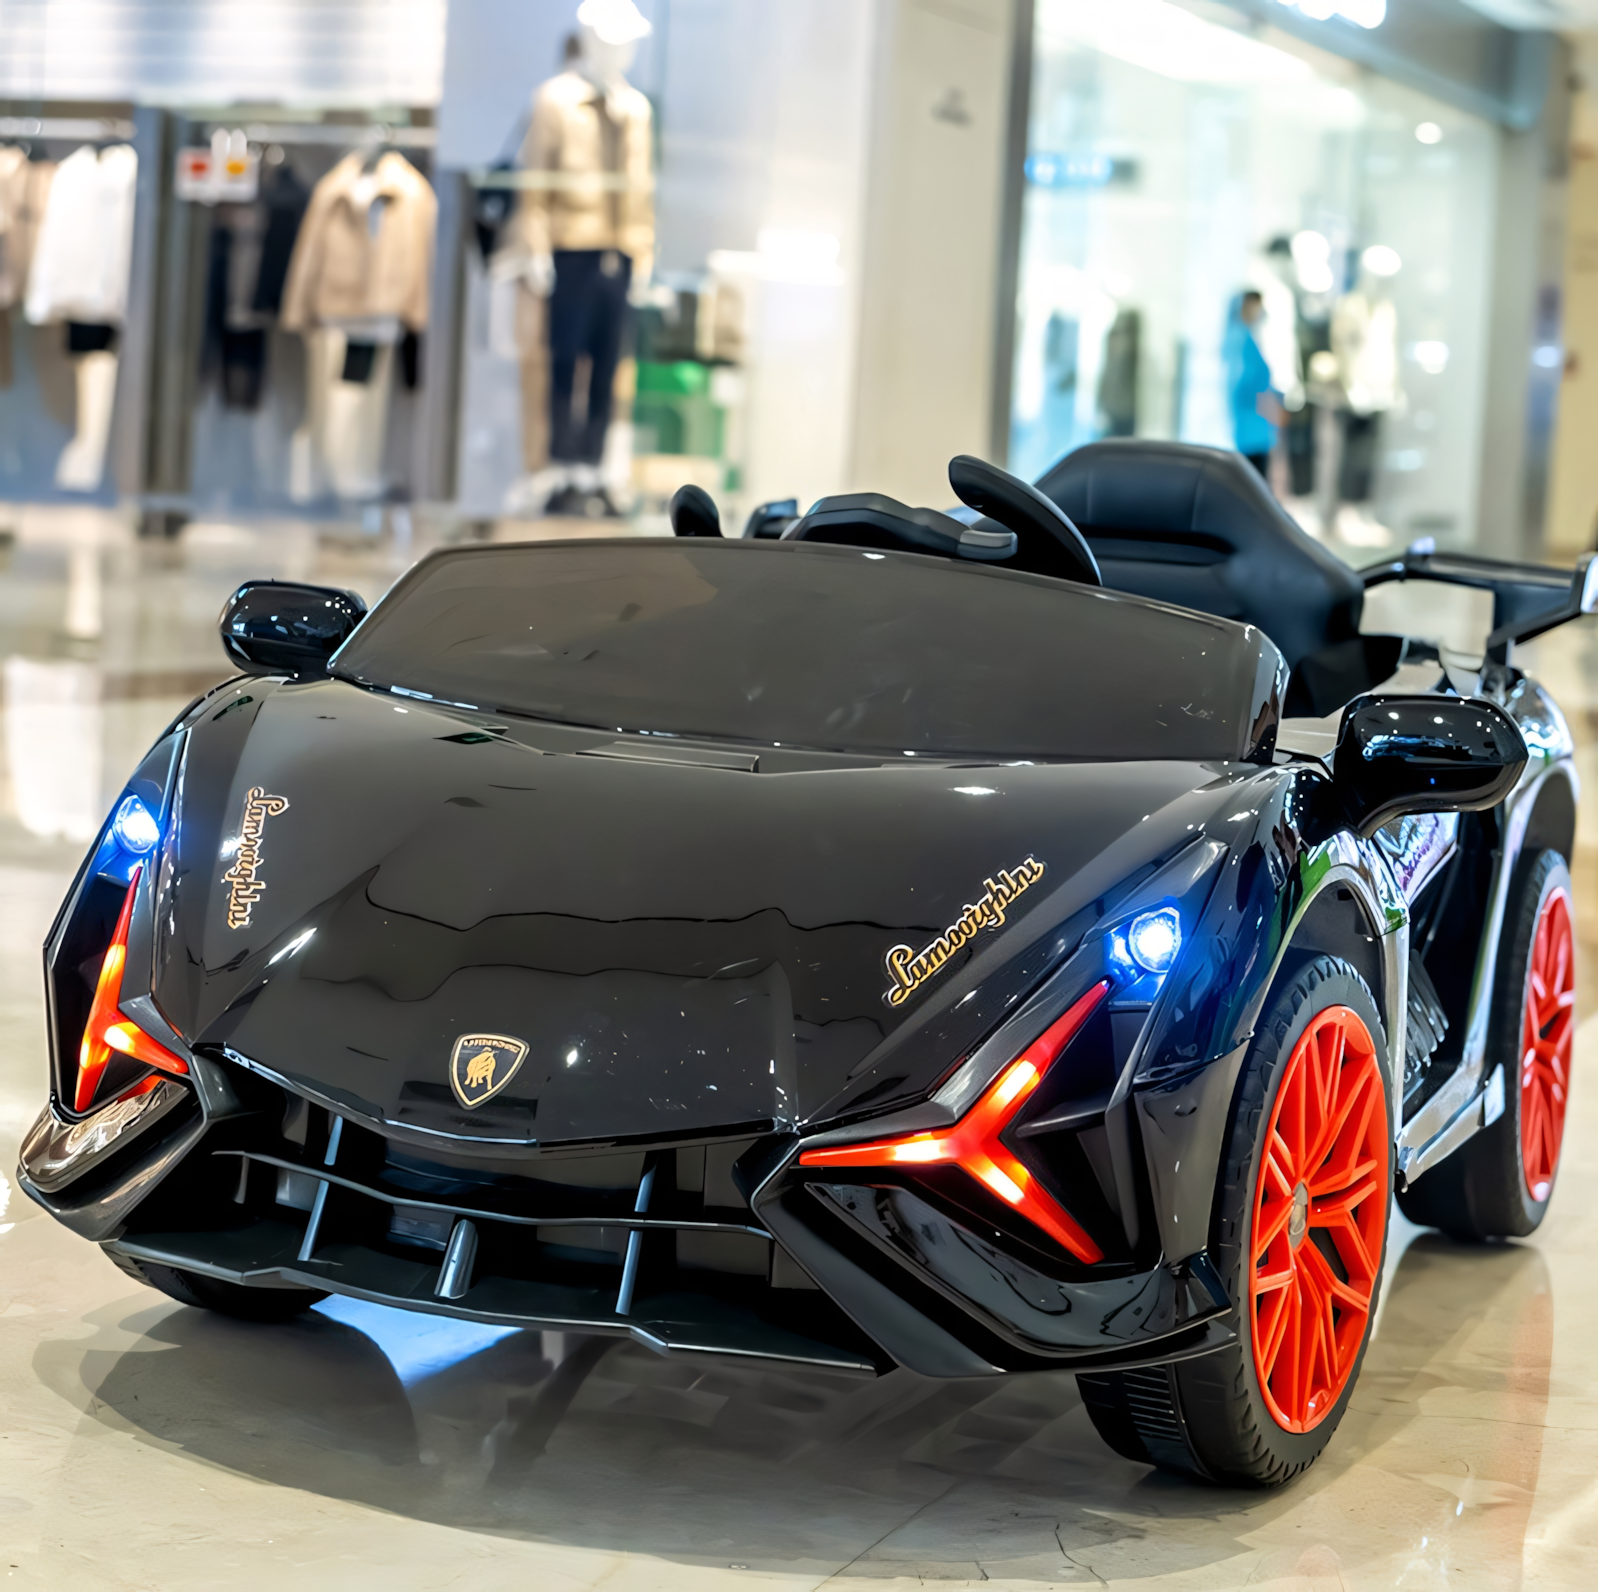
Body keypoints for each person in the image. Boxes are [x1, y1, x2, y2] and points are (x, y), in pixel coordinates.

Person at [1225, 290, 1281, 481]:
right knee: (1253, 484)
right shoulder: (1240, 339)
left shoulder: (1247, 338)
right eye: (1254, 306)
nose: (1258, 311)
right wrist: (1269, 404)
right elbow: (1246, 384)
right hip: (1250, 427)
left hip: (1257, 427)